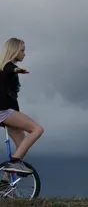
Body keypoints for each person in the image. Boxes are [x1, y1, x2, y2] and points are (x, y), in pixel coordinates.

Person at [0, 37, 44, 176]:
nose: (24, 54)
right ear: (14, 51)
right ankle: (14, 162)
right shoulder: (6, 66)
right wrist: (17, 70)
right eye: (22, 50)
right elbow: (9, 68)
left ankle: (5, 184)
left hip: (8, 110)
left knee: (21, 145)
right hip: (4, 111)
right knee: (37, 129)